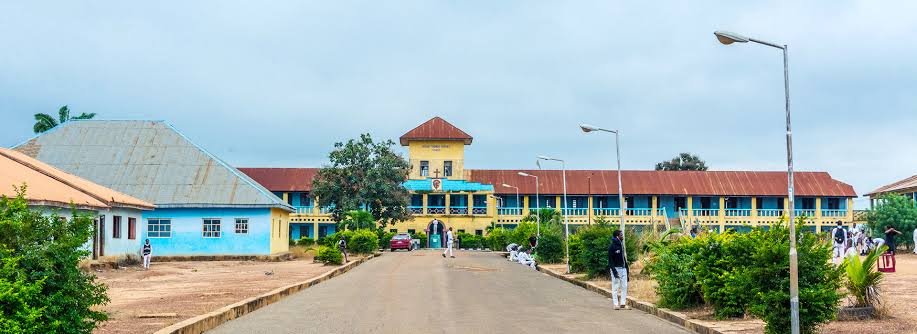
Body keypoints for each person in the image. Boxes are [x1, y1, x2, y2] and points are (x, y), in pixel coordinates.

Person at [607, 229, 629, 310]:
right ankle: (616, 304)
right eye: (621, 235)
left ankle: (623, 303)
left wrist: (627, 270)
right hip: (616, 269)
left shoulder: (621, 245)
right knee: (616, 286)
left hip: (623, 269)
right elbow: (610, 261)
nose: (622, 236)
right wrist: (614, 272)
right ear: (617, 236)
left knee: (624, 286)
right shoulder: (612, 247)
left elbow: (624, 259)